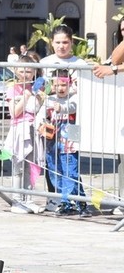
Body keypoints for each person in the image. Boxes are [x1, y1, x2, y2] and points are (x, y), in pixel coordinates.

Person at [3, 53, 44, 214]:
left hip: (34, 128)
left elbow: (39, 108)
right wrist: (25, 97)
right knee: (18, 167)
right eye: (21, 71)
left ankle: (29, 199)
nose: (25, 75)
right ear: (16, 71)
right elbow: (14, 112)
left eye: (29, 71)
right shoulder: (13, 88)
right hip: (19, 130)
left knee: (31, 167)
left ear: (34, 72)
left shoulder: (38, 88)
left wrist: (39, 96)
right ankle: (17, 201)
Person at [40, 71, 84, 216]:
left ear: (69, 84)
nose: (60, 88)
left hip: (70, 142)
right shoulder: (49, 99)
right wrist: (41, 123)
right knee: (55, 173)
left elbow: (72, 107)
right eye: (57, 85)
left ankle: (72, 202)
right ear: (52, 85)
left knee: (71, 173)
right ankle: (67, 201)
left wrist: (62, 108)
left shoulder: (75, 97)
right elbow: (40, 115)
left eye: (64, 85)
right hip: (52, 143)